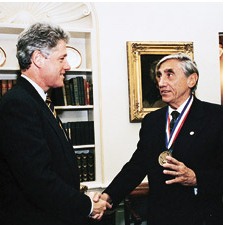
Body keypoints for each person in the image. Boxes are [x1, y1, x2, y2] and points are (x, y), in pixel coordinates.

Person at [0, 22, 111, 225]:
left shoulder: (36, 101)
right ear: (38, 59)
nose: (67, 66)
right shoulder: (18, 105)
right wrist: (87, 206)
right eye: (61, 58)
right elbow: (38, 180)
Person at [101, 53, 223, 225]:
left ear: (191, 80)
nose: (161, 82)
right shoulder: (153, 122)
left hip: (202, 216)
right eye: (159, 75)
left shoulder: (217, 118)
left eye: (169, 74)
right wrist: (108, 196)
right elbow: (136, 166)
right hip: (161, 217)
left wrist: (197, 178)